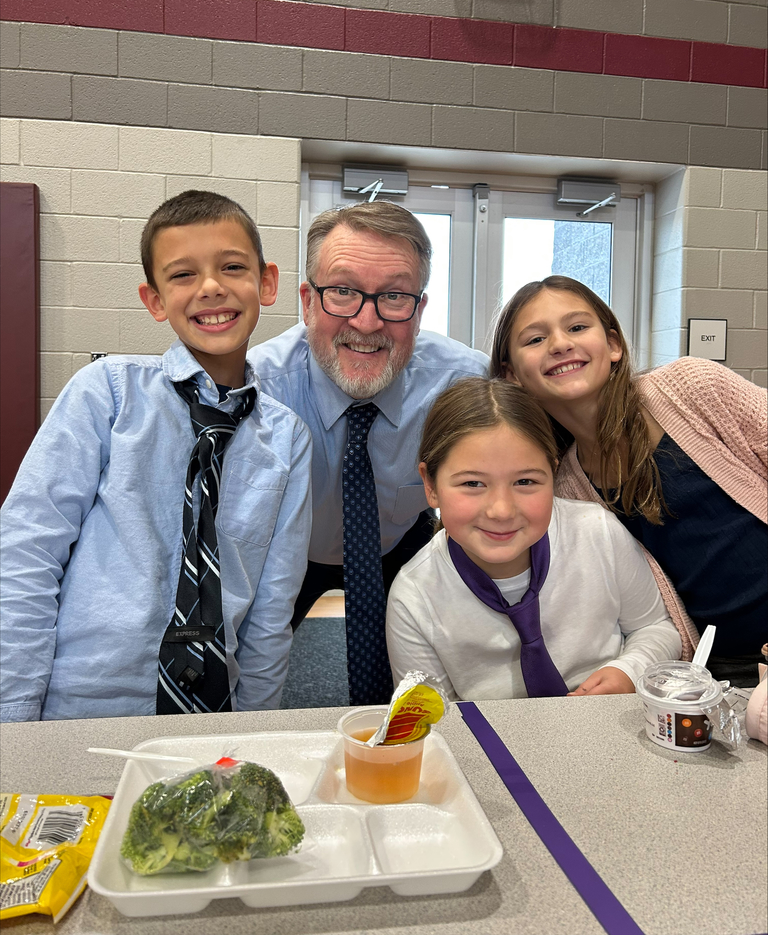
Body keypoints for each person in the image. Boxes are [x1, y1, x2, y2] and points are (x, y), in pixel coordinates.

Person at [0, 190, 312, 721]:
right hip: (80, 701)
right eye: (183, 275)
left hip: (212, 709)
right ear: (154, 299)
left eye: (232, 267)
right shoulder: (108, 394)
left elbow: (270, 613)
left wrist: (256, 730)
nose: (211, 287)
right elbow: (27, 554)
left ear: (267, 282)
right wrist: (13, 721)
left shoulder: (287, 439)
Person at [248, 201, 488, 704]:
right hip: (285, 548)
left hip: (397, 539)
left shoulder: (463, 383)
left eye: (395, 296)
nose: (367, 320)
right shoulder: (257, 391)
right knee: (240, 671)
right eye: (342, 291)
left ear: (419, 311)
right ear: (307, 303)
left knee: (418, 681)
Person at [490, 274, 768, 687]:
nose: (560, 343)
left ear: (614, 345)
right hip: (723, 675)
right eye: (534, 339)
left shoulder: (693, 388)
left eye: (577, 327)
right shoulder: (566, 490)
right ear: (512, 376)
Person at [386, 378, 681, 700]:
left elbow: (656, 627)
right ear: (431, 486)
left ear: (553, 475)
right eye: (472, 484)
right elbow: (428, 717)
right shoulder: (414, 596)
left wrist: (629, 670)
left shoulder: (597, 533)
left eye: (525, 481)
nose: (501, 510)